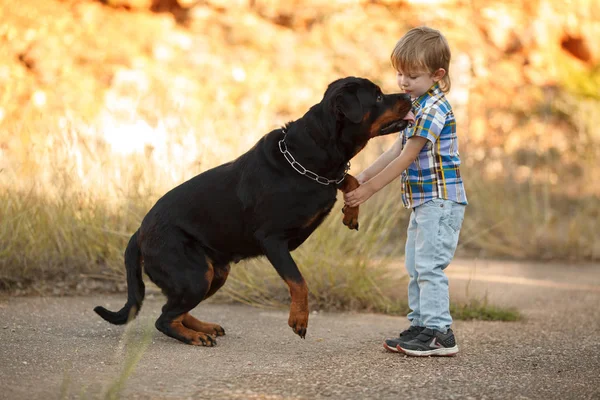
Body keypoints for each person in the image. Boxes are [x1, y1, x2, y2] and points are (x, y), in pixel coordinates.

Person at [343, 26, 467, 357]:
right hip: (424, 202)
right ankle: (420, 325)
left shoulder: (434, 108)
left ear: (437, 74)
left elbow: (408, 156)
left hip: (440, 202)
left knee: (429, 266)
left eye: (412, 75)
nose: (403, 82)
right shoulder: (416, 103)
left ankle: (440, 333)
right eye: (400, 73)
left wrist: (367, 190)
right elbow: (396, 147)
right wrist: (363, 174)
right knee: (415, 264)